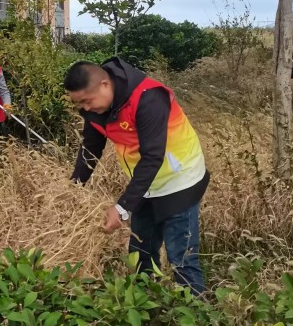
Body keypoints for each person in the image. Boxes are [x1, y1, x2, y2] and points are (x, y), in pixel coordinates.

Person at [64, 58, 209, 295]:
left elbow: (152, 157)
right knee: (141, 253)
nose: (85, 109)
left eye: (87, 101)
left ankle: (196, 312)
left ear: (104, 85)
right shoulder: (96, 109)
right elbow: (91, 147)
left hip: (180, 182)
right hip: (144, 186)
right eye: (79, 103)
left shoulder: (148, 98)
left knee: (181, 259)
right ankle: (147, 306)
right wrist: (73, 187)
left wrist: (122, 208)